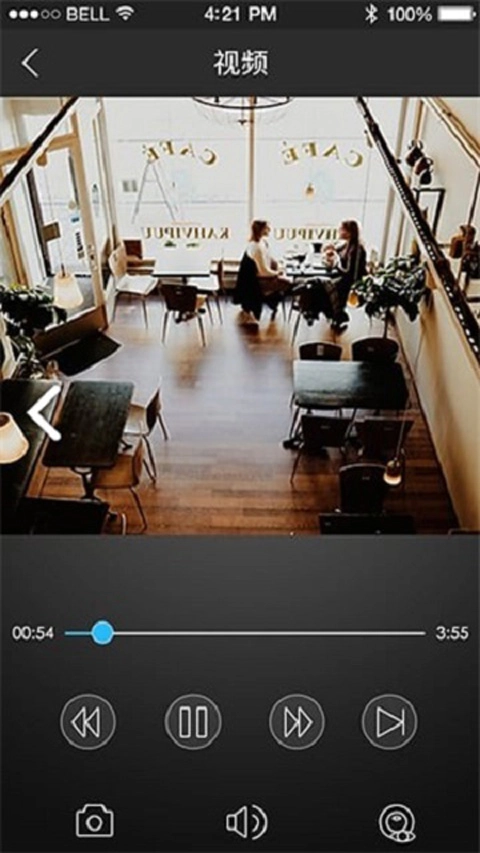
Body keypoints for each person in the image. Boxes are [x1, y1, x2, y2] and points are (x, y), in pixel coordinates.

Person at [234, 220, 291, 323]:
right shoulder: (256, 247)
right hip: (258, 281)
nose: (269, 230)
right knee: (289, 283)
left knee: (289, 281)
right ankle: (271, 299)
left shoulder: (262, 243)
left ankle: (272, 301)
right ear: (261, 230)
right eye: (267, 228)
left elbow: (269, 259)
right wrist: (277, 273)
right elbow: (262, 272)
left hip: (263, 276)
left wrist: (278, 268)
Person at [333, 220, 367, 330]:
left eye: (342, 230)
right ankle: (336, 315)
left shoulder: (356, 249)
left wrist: (336, 264)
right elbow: (336, 249)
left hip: (349, 280)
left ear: (349, 233)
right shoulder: (348, 244)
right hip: (344, 276)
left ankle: (337, 315)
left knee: (326, 285)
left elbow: (349, 272)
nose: (339, 231)